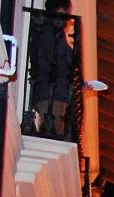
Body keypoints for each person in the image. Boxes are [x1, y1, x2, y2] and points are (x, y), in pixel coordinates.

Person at [29, 0, 76, 139]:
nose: (68, 19)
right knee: (53, 135)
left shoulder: (55, 34)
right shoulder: (49, 33)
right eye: (65, 14)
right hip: (51, 93)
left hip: (54, 93)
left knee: (54, 134)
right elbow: (55, 61)